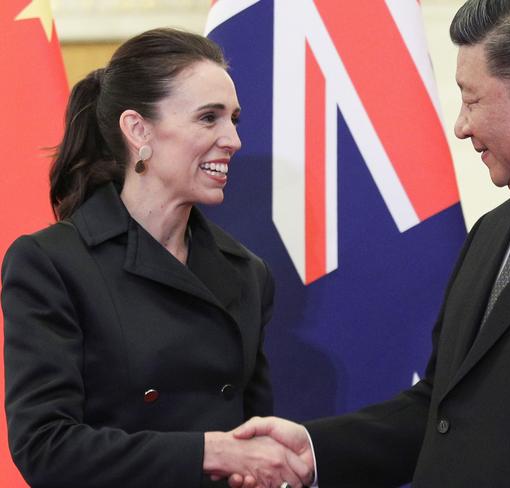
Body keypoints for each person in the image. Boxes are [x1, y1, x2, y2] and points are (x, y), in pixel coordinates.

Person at [227, 0, 510, 487]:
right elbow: (442, 410)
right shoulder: (492, 232)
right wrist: (313, 451)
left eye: (471, 100)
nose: (461, 125)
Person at [1, 28, 310, 488]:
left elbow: (253, 432)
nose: (233, 140)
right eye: (209, 118)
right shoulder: (51, 263)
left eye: (234, 120)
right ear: (138, 129)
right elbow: (46, 447)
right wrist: (209, 452)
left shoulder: (247, 272)